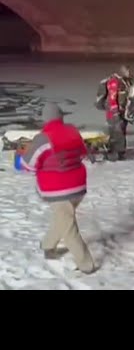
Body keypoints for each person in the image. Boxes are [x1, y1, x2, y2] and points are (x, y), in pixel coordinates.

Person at [21, 103, 96, 274]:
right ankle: (48, 246)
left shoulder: (43, 138)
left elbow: (28, 165)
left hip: (57, 189)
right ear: (61, 116)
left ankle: (86, 265)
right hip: (78, 186)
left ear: (45, 119)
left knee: (68, 227)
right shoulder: (72, 131)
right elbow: (83, 153)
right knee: (63, 218)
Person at [105, 65, 134, 161]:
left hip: (122, 111)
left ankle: (121, 151)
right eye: (127, 71)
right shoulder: (114, 82)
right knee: (116, 132)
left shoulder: (126, 82)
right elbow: (112, 98)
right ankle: (113, 152)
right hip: (114, 112)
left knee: (121, 131)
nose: (129, 72)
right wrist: (115, 112)